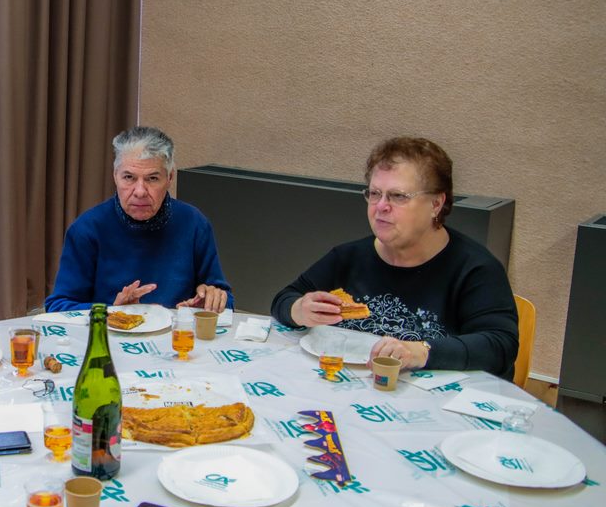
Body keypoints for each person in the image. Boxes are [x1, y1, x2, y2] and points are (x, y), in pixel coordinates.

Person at [270, 136, 519, 380]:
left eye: (398, 196)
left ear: (436, 204)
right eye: (374, 193)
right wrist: (298, 310)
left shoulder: (475, 268)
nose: (381, 206)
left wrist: (422, 351)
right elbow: (284, 299)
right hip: (353, 389)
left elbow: (500, 345)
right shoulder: (348, 257)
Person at [45, 126, 233, 313]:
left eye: (152, 178)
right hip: (109, 330)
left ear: (169, 178)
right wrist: (113, 312)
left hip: (178, 331)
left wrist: (209, 302)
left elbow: (225, 300)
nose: (140, 191)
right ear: (115, 176)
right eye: (129, 177)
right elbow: (58, 306)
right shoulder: (87, 229)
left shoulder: (194, 223)